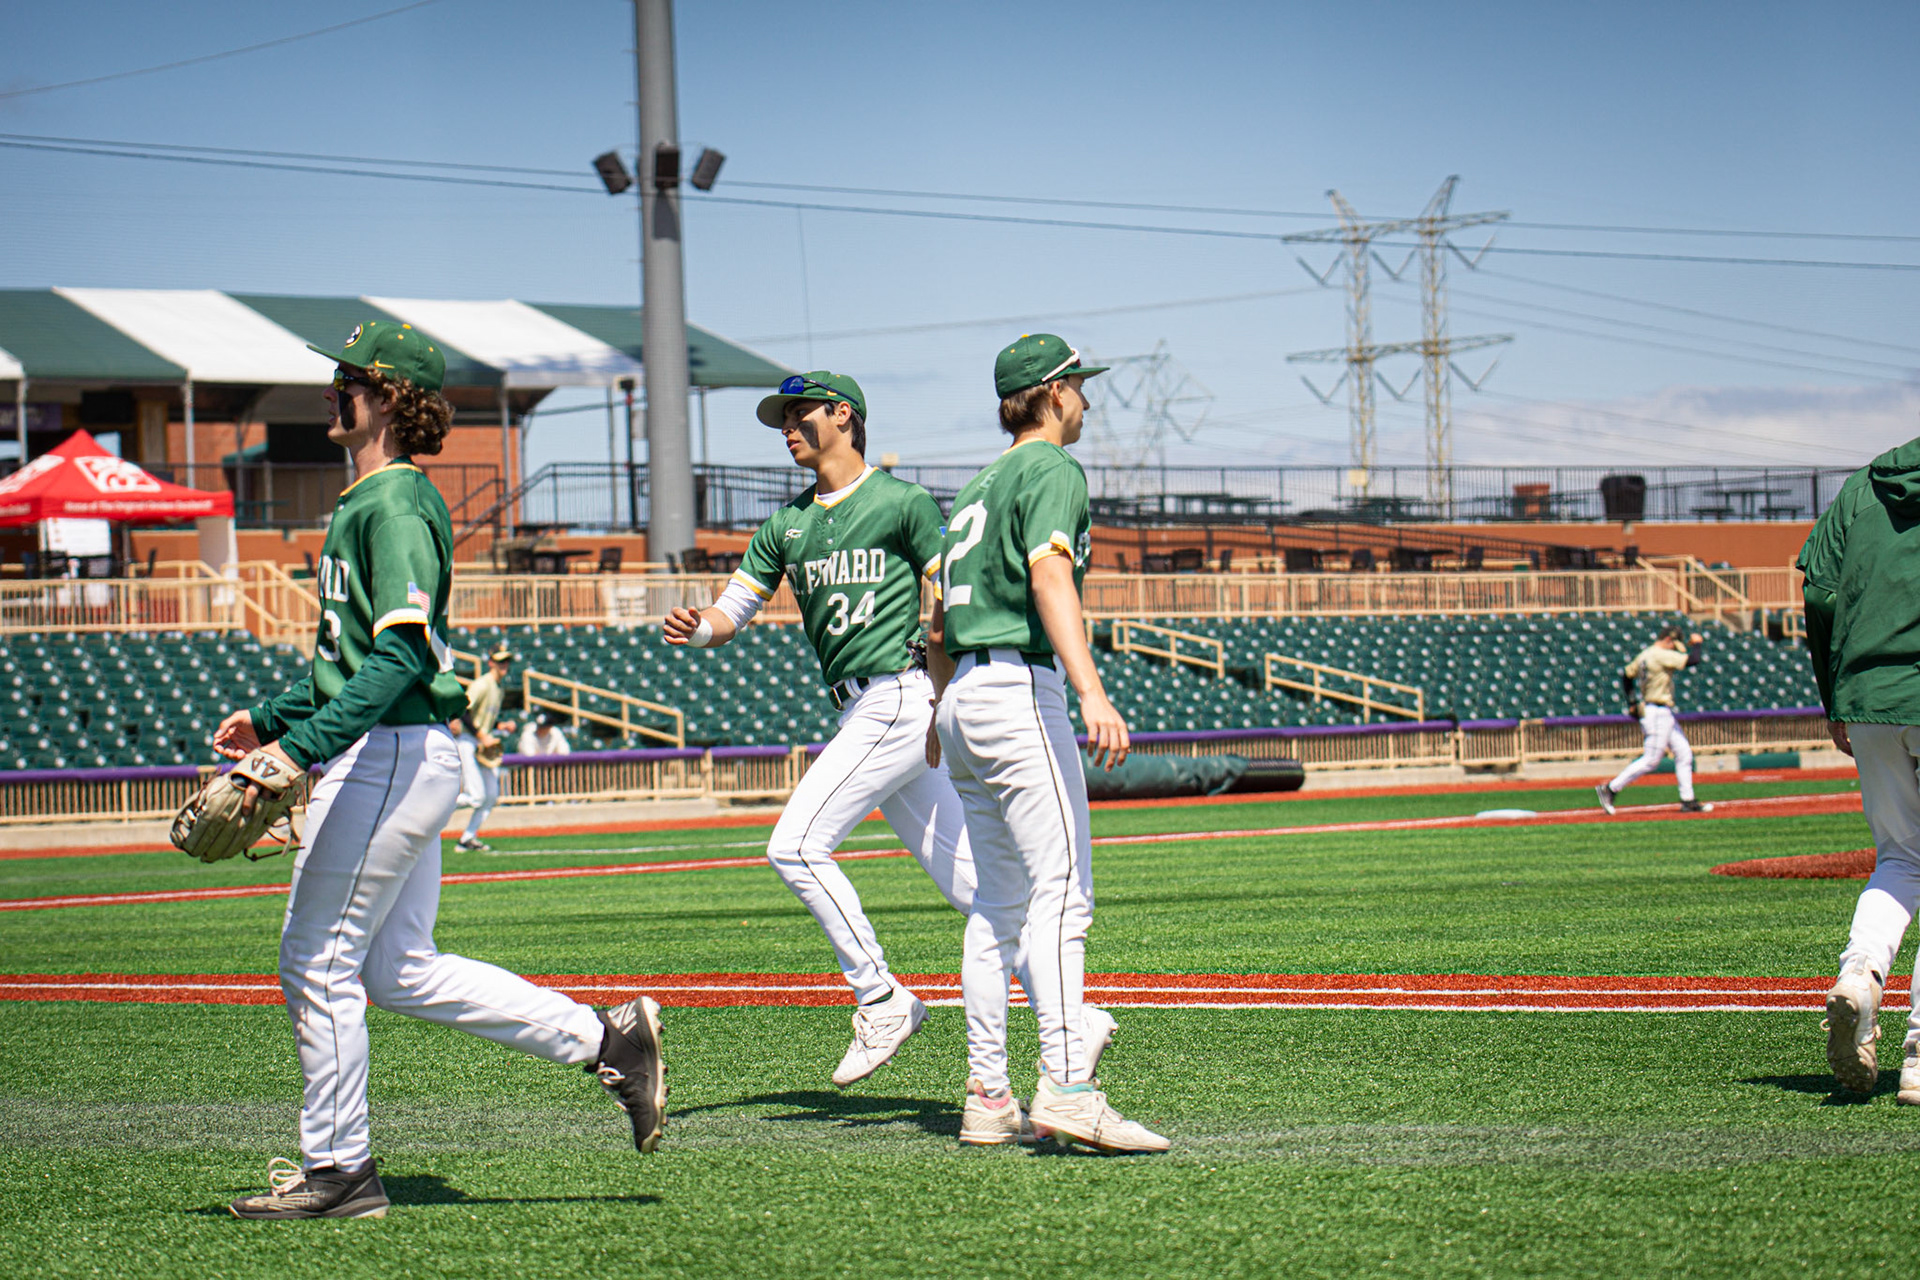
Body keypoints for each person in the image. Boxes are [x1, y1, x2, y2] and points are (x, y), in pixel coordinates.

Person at [211, 321, 665, 1220]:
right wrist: (272, 717)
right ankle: (607, 1040)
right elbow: (352, 659)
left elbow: (401, 658)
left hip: (387, 754)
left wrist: (296, 749)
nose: (331, 392)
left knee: (316, 960)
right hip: (399, 752)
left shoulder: (393, 504)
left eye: (347, 380)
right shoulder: (374, 498)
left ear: (389, 397)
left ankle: (339, 1170)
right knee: (399, 969)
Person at [662, 370, 1112, 1107]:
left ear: (844, 414)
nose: (788, 427)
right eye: (783, 419)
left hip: (902, 695)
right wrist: (699, 628)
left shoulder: (902, 502)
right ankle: (1078, 1019)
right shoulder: (785, 525)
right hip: (866, 709)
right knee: (975, 886)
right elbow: (731, 611)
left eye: (800, 414)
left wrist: (943, 693)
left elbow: (948, 597)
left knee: (794, 846)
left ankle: (880, 997)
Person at [930, 334, 1168, 1153]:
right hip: (1015, 690)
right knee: (1062, 896)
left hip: (962, 696)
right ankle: (1067, 1086)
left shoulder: (975, 486)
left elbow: (936, 623)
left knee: (996, 909)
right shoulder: (1051, 467)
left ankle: (987, 1097)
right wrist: (1093, 689)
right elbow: (1049, 576)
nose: (1088, 401)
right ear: (1054, 391)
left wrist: (940, 710)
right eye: (1079, 386)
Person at [1800, 439, 1920, 1098]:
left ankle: (1861, 975)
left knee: (1900, 858)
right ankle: (1919, 1053)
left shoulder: (1861, 488)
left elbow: (1820, 596)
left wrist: (1836, 697)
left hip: (1871, 698)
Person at [1594, 626, 1711, 815]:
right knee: (1651, 759)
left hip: (1659, 711)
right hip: (1656, 712)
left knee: (1684, 753)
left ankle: (1688, 800)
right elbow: (1693, 660)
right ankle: (1611, 788)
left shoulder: (1645, 654)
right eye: (1673, 645)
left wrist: (1632, 702)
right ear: (1668, 640)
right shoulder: (1659, 654)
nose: (1673, 648)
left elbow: (1626, 675)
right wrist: (1697, 644)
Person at [452, 646, 516, 851]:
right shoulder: (482, 684)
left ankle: (467, 839)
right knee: (476, 796)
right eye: (500, 661)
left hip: (480, 743)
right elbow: (463, 711)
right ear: (491, 663)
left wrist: (500, 725)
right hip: (468, 741)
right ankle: (433, 805)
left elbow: (483, 717)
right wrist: (482, 736)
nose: (504, 665)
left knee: (490, 796)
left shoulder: (499, 688)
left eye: (506, 661)